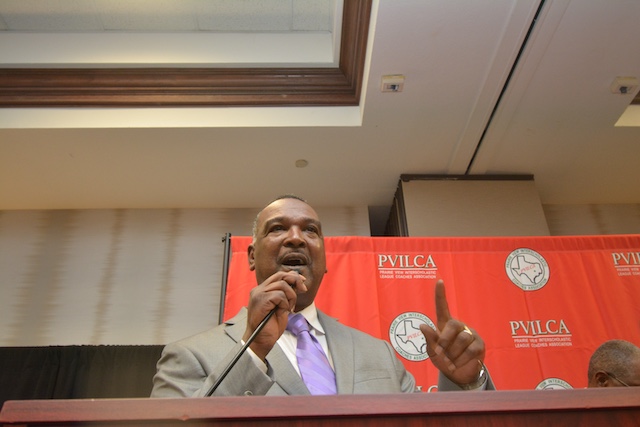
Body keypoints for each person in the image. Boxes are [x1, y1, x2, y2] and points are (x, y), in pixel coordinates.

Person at [151, 195, 494, 397]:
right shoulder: (190, 355)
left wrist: (465, 383)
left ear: (325, 261)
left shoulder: (379, 354)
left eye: (310, 230)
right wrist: (252, 351)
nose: (296, 238)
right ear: (252, 256)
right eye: (278, 228)